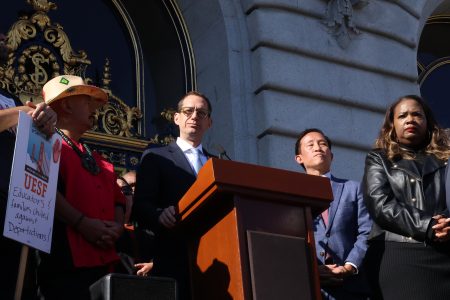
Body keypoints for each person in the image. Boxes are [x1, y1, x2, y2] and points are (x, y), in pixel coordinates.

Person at [36, 75, 126, 300]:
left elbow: (119, 200)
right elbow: (43, 189)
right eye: (87, 101)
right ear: (66, 104)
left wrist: (117, 227)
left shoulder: (98, 158)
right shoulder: (44, 145)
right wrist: (82, 223)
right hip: (65, 264)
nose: (94, 109)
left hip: (105, 263)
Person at [363, 95, 450, 299]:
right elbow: (379, 203)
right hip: (400, 254)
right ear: (392, 125)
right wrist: (427, 225)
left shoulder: (446, 158)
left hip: (445, 252)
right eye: (402, 116)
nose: (410, 119)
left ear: (428, 122)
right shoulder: (378, 158)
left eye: (417, 114)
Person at [132, 91, 213, 299]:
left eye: (201, 113)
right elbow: (141, 205)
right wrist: (159, 214)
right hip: (172, 260)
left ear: (209, 122)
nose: (194, 116)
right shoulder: (156, 157)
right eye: (188, 111)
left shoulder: (218, 164)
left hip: (216, 259)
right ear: (177, 118)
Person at [0, 31, 57, 299]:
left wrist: (44, 122)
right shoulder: (16, 107)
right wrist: (22, 113)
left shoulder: (8, 96)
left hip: (13, 209)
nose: (3, 36)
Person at [294, 128, 372, 300]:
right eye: (310, 145)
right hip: (310, 286)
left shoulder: (353, 188)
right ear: (299, 158)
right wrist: (312, 268)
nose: (318, 148)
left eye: (323, 144)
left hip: (352, 286)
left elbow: (367, 231)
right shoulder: (292, 194)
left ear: (331, 155)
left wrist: (350, 266)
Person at [116, 171, 154, 276]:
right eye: (130, 187)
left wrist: (153, 265)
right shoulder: (109, 225)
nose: (135, 191)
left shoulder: (148, 229)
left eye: (139, 187)